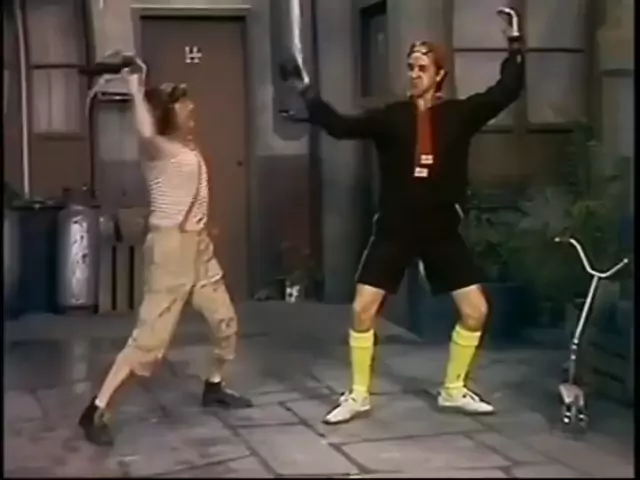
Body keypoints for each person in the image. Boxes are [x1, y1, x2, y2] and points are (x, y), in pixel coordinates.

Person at [281, 27, 525, 424]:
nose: (414, 74)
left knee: (476, 311)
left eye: (422, 68)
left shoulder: (459, 115)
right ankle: (358, 395)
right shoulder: (391, 117)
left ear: (439, 74)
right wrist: (306, 92)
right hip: (395, 227)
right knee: (362, 310)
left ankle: (453, 389)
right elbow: (342, 127)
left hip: (440, 230)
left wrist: (514, 42)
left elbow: (506, 91)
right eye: (410, 67)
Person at [78, 69, 253, 446]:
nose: (191, 107)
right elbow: (144, 131)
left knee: (224, 320)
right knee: (150, 343)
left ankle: (215, 385)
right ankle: (97, 409)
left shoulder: (185, 146)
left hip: (197, 248)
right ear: (167, 113)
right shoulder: (156, 149)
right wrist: (133, 87)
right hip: (169, 251)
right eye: (182, 103)